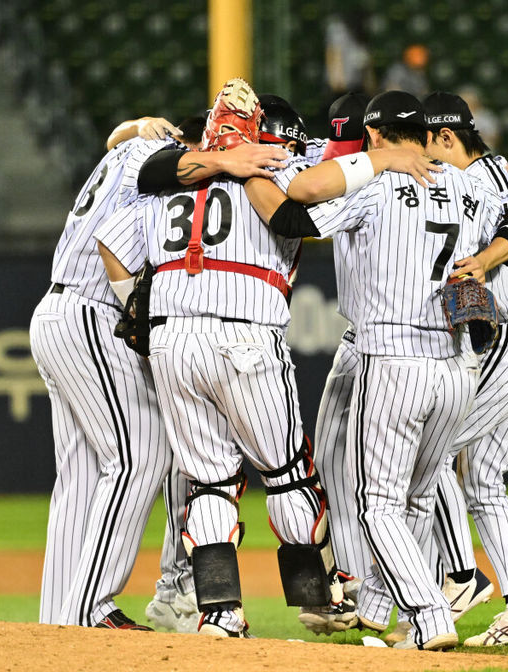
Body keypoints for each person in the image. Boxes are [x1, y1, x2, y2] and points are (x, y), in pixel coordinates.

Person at [95, 79, 358, 638]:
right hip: (244, 334)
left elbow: (111, 242)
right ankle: (317, 599)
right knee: (286, 473)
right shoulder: (276, 171)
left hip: (172, 341)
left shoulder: (166, 186)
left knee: (208, 481)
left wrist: (133, 309)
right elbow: (326, 201)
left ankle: (220, 615)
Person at [27, 113, 279, 630]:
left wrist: (133, 124)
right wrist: (224, 158)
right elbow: (169, 163)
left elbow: (118, 135)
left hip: (59, 312)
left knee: (80, 474)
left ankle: (60, 619)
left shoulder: (138, 145)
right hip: (92, 311)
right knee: (138, 456)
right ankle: (92, 607)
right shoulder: (161, 159)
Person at [280, 91, 503, 651]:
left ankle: (429, 618)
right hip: (456, 367)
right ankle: (388, 613)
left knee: (377, 502)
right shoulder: (466, 183)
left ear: (374, 135)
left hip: (394, 358)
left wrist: (359, 164)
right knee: (420, 497)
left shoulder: (374, 182)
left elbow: (299, 202)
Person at [421, 91, 508, 647]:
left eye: (427, 144)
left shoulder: (474, 184)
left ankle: (453, 581)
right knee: (482, 479)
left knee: (427, 456)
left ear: (448, 138)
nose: (423, 155)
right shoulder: (502, 171)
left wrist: (482, 260)